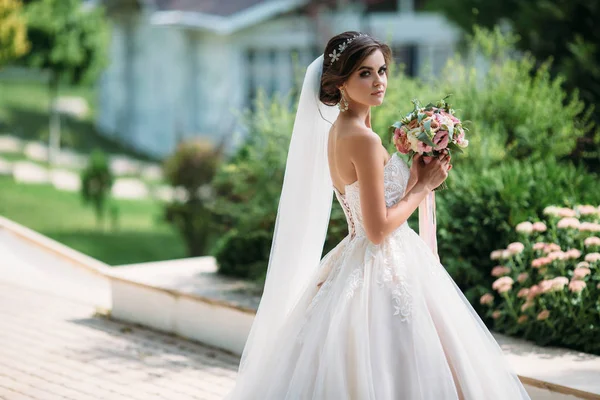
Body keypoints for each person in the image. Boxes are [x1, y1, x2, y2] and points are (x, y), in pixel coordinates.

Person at [225, 31, 531, 399]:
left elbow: (371, 206)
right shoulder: (364, 140)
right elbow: (377, 229)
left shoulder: (341, 130)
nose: (379, 81)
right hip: (382, 263)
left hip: (355, 259)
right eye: (364, 74)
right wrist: (423, 187)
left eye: (382, 70)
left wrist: (415, 174)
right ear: (340, 83)